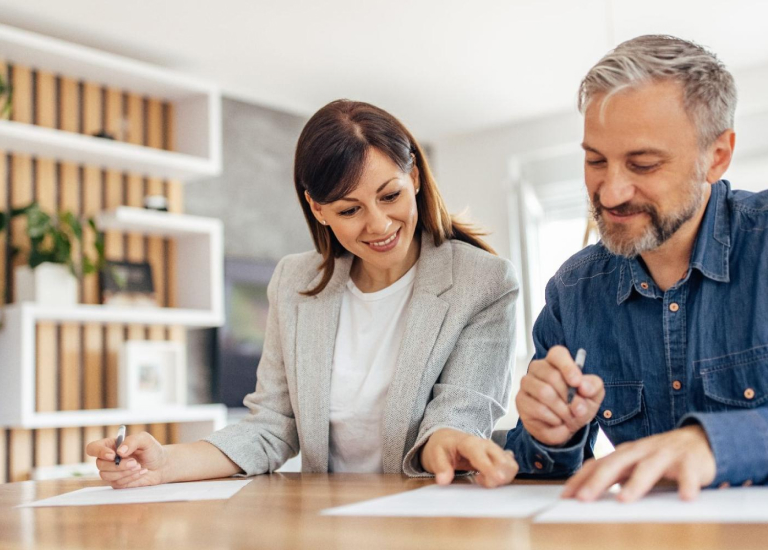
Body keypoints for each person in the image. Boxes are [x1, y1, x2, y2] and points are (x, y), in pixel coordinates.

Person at [491, 34, 768, 501]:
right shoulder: (573, 291)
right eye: (595, 161)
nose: (610, 193)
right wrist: (550, 436)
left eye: (643, 164)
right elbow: (538, 467)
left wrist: (720, 444)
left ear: (717, 157)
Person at [86, 100, 520, 487]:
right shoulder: (294, 283)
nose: (379, 224)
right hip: (322, 524)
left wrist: (447, 442)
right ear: (318, 209)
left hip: (425, 518)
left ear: (416, 177)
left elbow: (458, 416)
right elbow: (271, 427)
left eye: (391, 195)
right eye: (350, 210)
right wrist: (164, 463)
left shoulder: (483, 283)